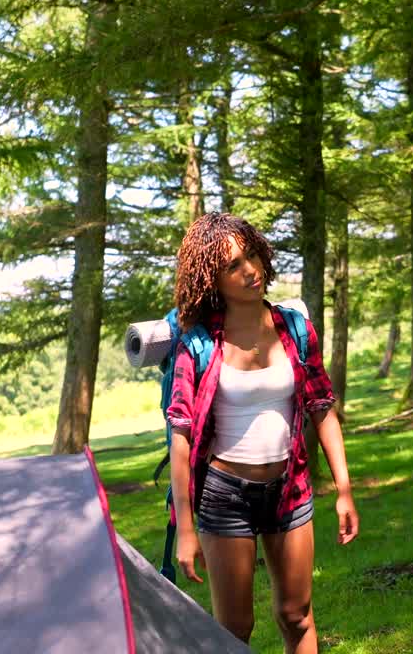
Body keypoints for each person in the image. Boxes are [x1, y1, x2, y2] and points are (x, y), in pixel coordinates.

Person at [166, 212, 359, 654]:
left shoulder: (293, 327)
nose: (250, 269)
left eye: (251, 255)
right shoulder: (198, 342)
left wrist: (344, 488)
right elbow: (180, 434)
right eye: (233, 265)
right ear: (212, 278)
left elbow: (322, 407)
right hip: (224, 496)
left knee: (297, 615)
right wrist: (185, 527)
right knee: (234, 630)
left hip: (290, 489)